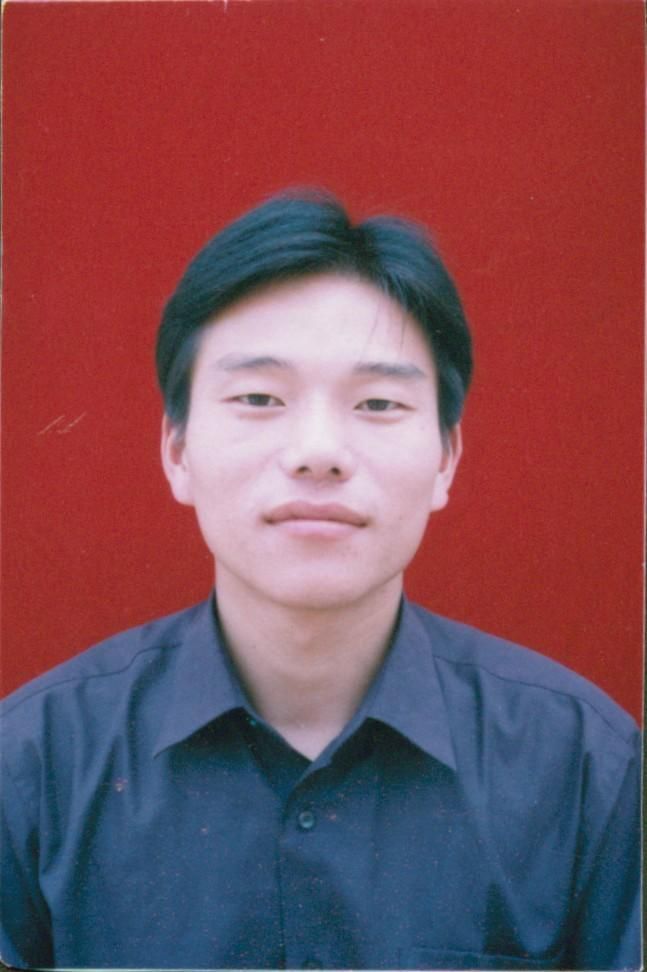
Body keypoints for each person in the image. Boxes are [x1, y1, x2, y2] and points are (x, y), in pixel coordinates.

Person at [0, 189, 640, 971]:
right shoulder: (31, 764)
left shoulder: (585, 769)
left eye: (377, 403)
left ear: (446, 458)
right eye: (258, 398)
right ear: (177, 452)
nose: (318, 452)